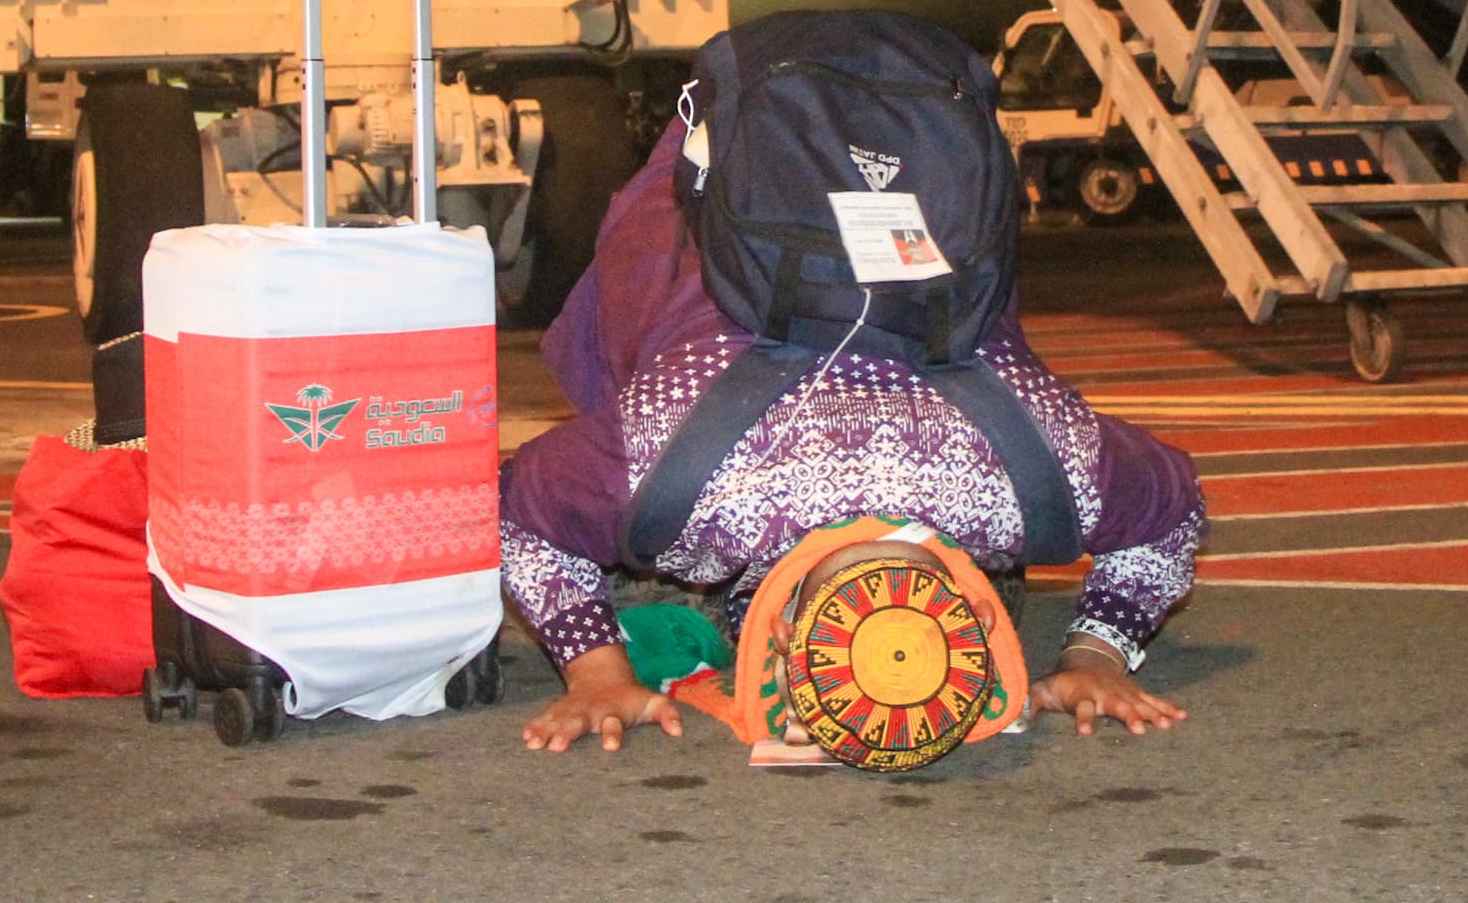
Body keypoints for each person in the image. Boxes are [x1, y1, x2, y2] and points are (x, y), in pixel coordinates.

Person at [504, 127, 1201, 758]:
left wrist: (1094, 656)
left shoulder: (1040, 480)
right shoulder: (685, 480)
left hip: (912, 175)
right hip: (703, 233)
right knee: (630, 537)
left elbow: (1172, 504)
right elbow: (526, 508)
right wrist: (596, 669)